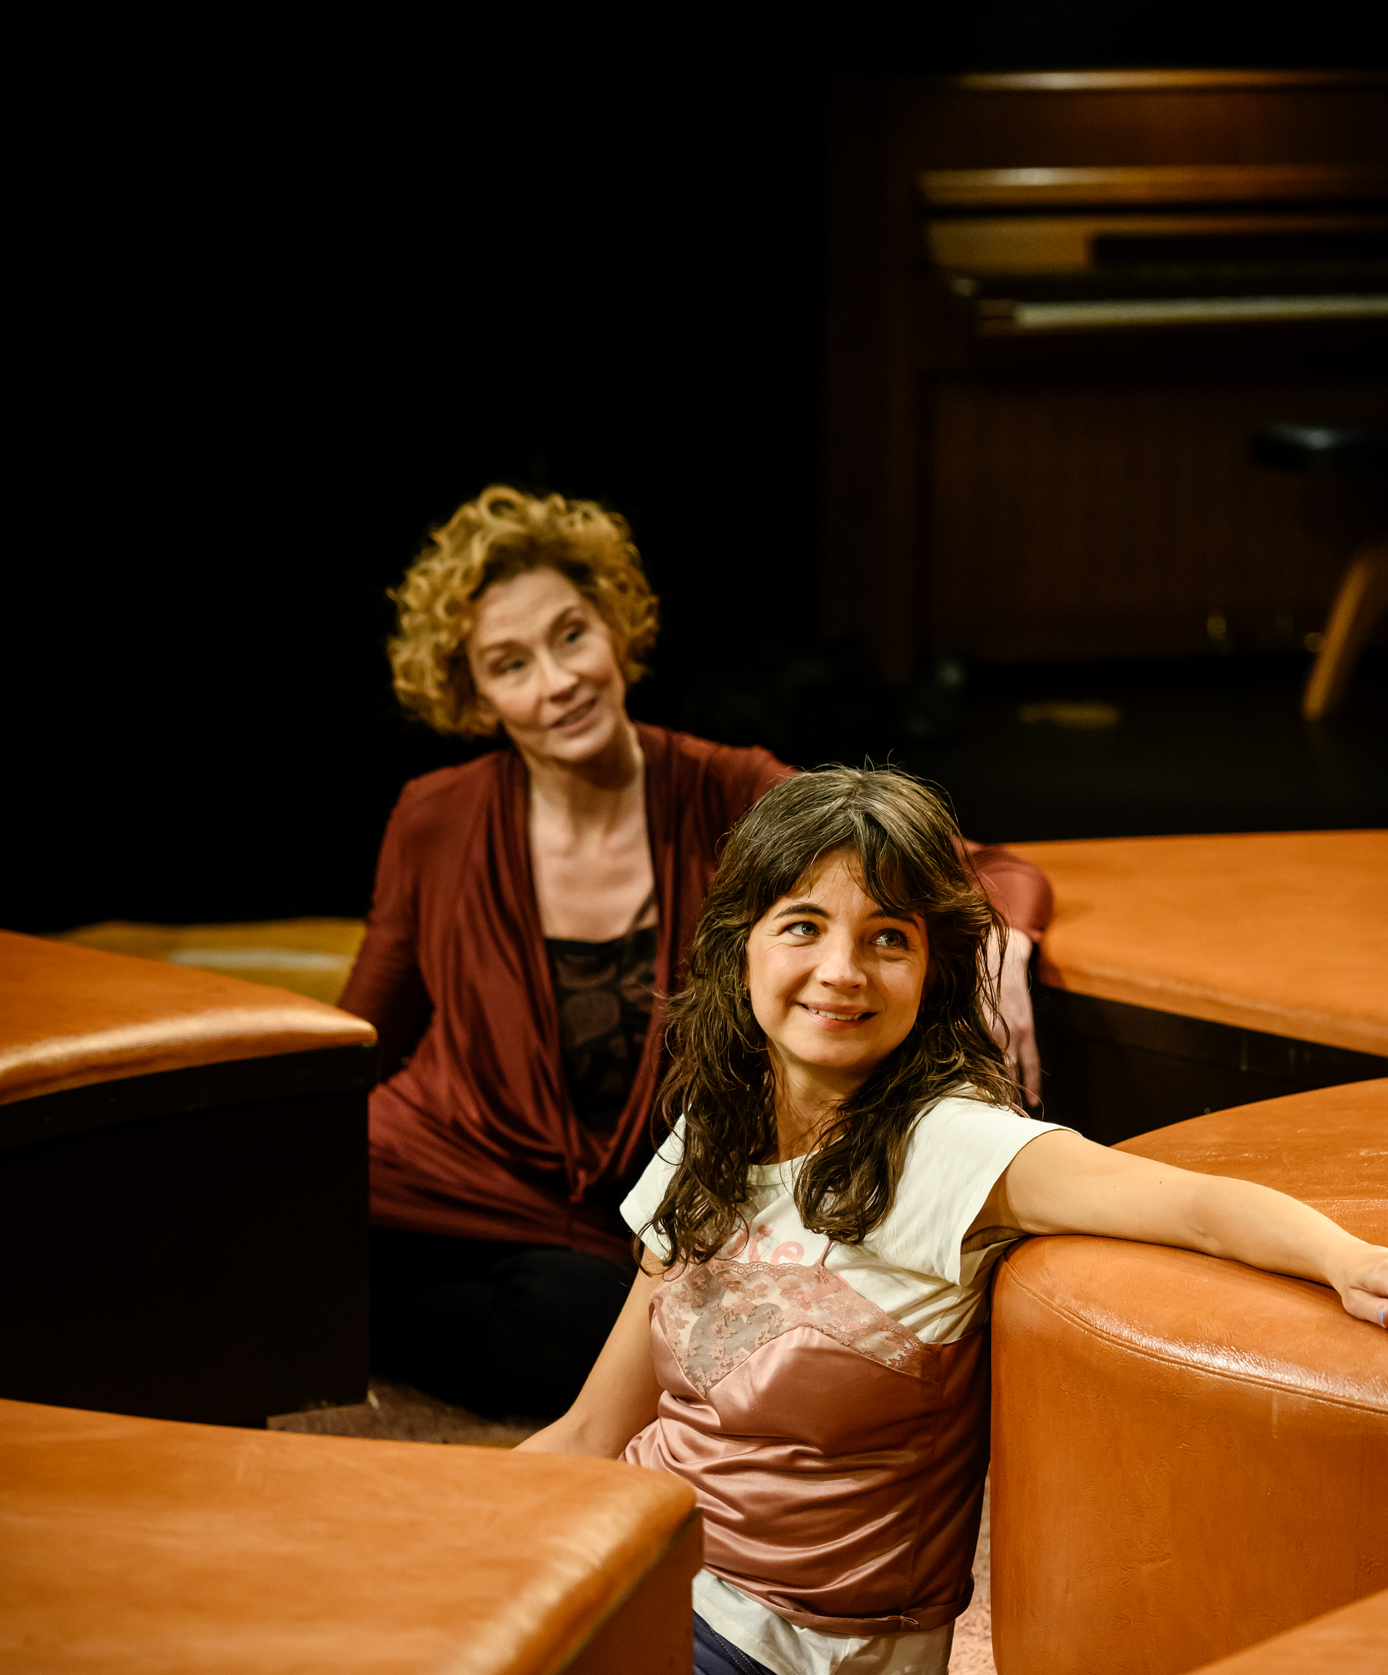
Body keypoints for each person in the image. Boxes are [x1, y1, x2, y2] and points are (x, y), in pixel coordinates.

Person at [519, 764, 1388, 1675]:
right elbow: (591, 1430)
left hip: (759, 1665)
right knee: (369, 1659)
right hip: (622, 1565)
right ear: (740, 949)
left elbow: (1199, 1206)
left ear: (935, 970)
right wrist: (446, 1543)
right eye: (802, 925)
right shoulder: (712, 1128)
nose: (840, 970)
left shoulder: (953, 1148)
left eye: (887, 937)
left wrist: (1356, 1259)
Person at [339, 486, 1051, 1420]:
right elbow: (362, 1032)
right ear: (474, 695)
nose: (556, 682)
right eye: (510, 665)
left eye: (570, 636)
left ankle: (378, 1322)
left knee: (596, 1327)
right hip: (442, 1175)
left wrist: (1002, 943)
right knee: (276, 1243)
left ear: (615, 630)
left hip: (619, 1218)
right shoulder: (435, 817)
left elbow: (976, 865)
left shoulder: (726, 790)